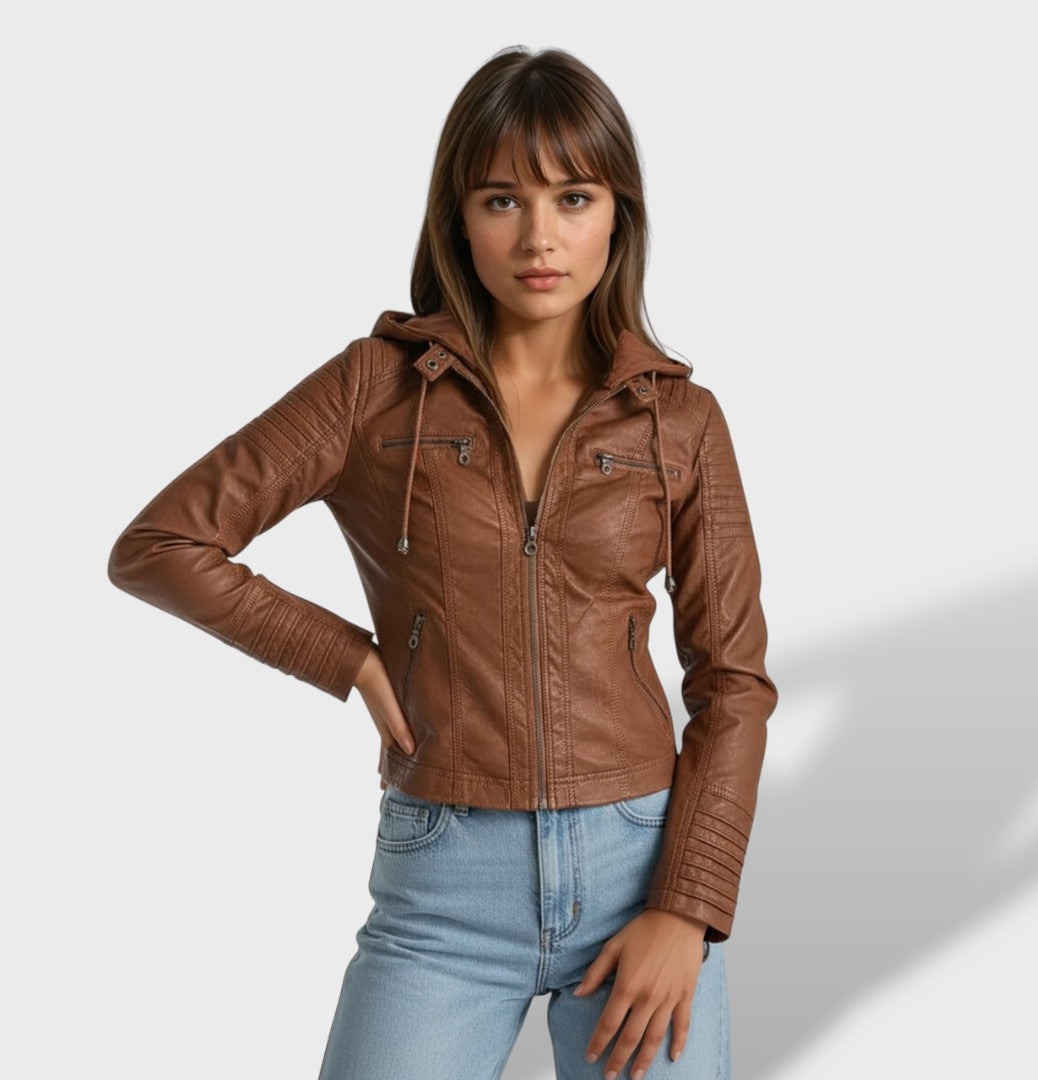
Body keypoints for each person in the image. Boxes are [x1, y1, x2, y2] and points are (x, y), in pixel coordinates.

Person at [107, 45, 778, 1080]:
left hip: (640, 869)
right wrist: (346, 657)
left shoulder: (679, 420)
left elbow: (733, 682)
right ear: (458, 219)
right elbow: (162, 545)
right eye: (503, 199)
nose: (540, 236)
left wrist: (687, 909)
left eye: (574, 197)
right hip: (443, 888)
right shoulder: (374, 389)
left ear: (619, 217)